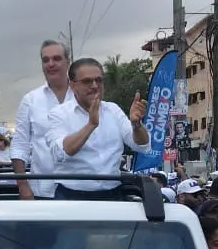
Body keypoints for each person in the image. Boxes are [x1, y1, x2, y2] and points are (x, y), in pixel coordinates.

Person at [45, 58, 148, 200]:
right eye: (87, 81)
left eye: (99, 80)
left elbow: (141, 145)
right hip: (72, 196)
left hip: (113, 195)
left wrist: (137, 125)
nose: (94, 86)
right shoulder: (59, 114)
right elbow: (61, 152)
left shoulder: (113, 110)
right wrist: (90, 125)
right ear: (72, 85)